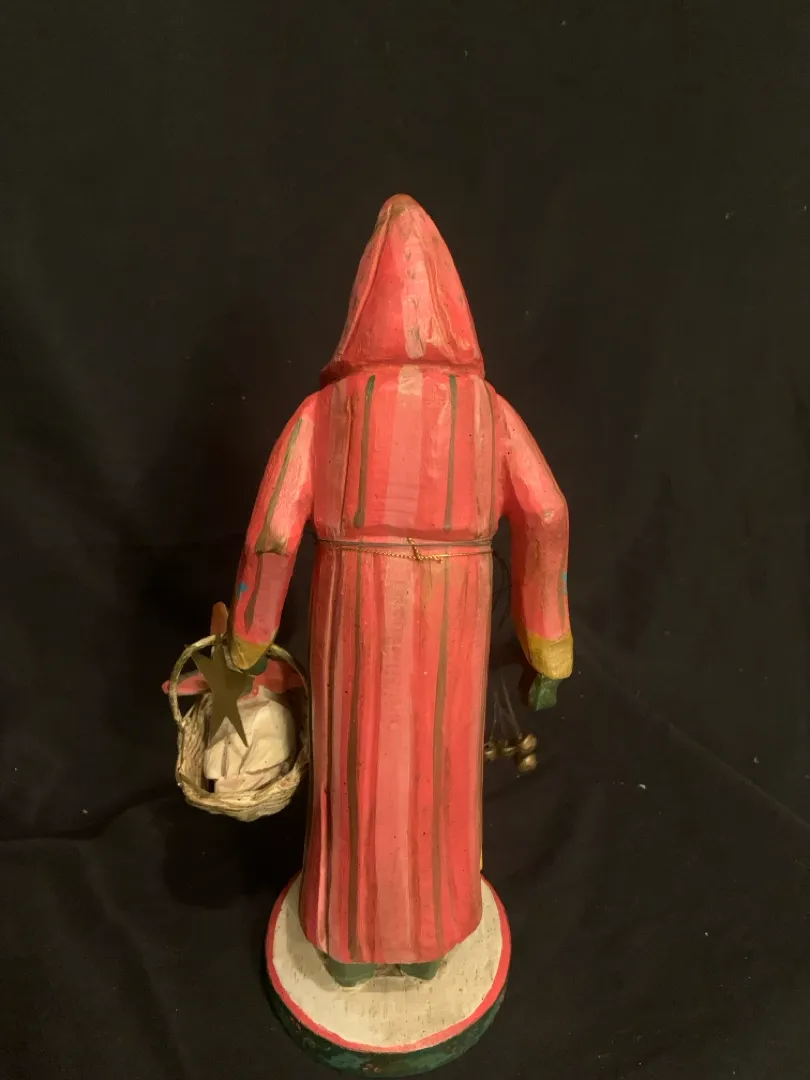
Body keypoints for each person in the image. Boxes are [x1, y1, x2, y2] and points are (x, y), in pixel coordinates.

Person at [227, 194, 573, 985]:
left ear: (361, 310)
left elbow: (273, 533)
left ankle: (344, 942)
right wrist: (547, 639)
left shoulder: (324, 411)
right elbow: (548, 513)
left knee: (357, 771)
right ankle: (437, 938)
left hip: (355, 606)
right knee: (441, 774)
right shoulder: (490, 411)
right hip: (455, 608)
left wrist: (246, 641)